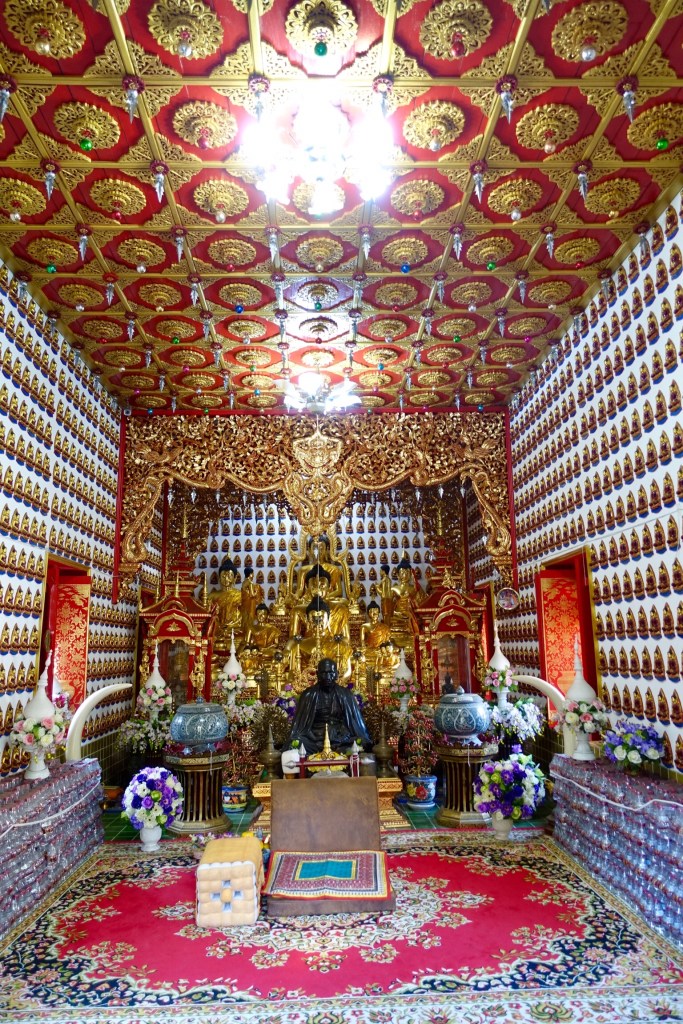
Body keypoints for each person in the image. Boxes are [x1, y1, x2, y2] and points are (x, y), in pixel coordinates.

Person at [288, 658, 372, 754]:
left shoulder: (346, 694)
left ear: (336, 674)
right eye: (323, 673)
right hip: (315, 739)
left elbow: (355, 724)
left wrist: (342, 736)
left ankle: (336, 750)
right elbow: (299, 728)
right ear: (317, 674)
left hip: (340, 738)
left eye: (331, 673)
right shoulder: (308, 695)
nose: (327, 677)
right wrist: (314, 738)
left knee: (361, 742)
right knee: (295, 743)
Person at [210, 558, 242, 644]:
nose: (226, 579)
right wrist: (218, 626)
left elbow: (245, 617)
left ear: (235, 578)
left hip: (235, 629)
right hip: (218, 630)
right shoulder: (212, 596)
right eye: (223, 576)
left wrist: (232, 625)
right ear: (219, 578)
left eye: (229, 576)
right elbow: (210, 617)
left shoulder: (240, 595)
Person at [240, 566, 263, 636]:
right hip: (250, 603)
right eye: (252, 573)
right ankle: (248, 634)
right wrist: (257, 591)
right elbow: (252, 594)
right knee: (250, 617)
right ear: (250, 574)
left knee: (245, 617)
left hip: (244, 603)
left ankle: (244, 631)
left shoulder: (244, 582)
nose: (253, 575)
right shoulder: (250, 582)